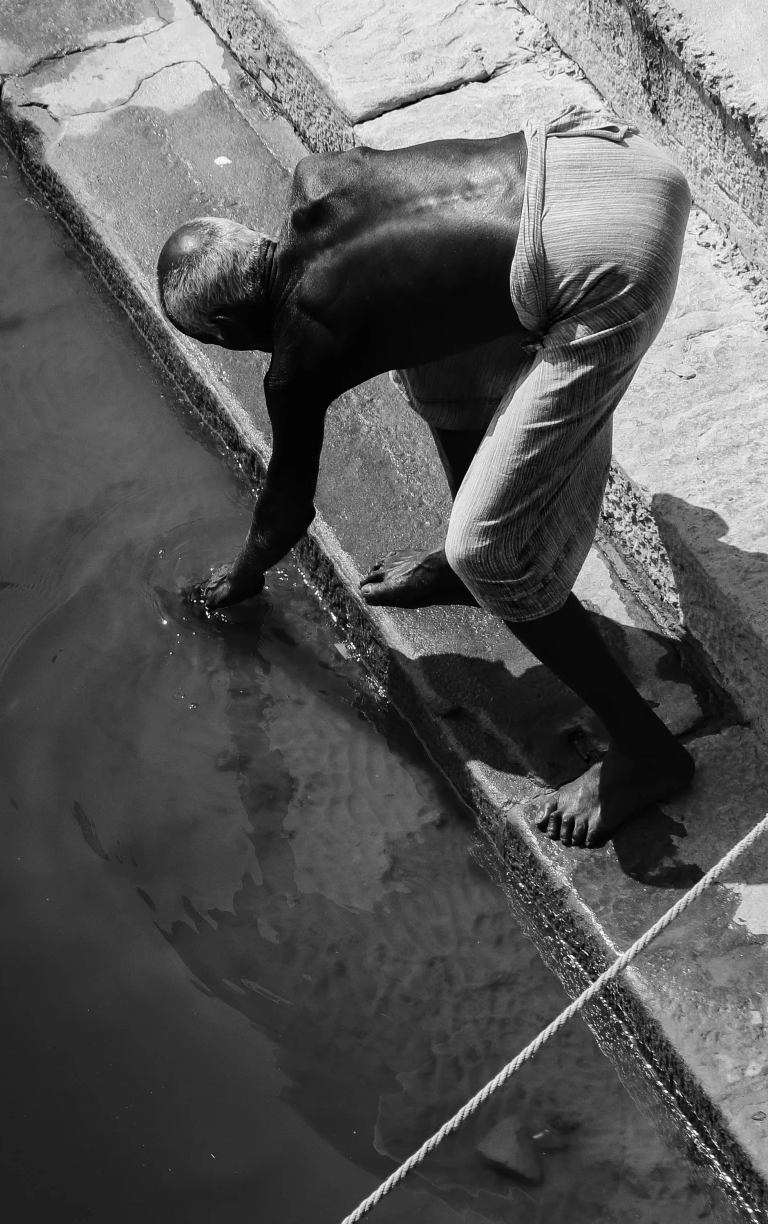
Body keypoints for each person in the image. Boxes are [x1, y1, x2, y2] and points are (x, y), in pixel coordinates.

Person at [159, 106, 693, 847]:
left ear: (223, 331)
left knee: (493, 554)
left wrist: (240, 574)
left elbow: (287, 511)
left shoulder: (299, 357)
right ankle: (457, 562)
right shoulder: (318, 179)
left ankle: (646, 749)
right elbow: (430, 244)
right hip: (596, 154)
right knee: (422, 340)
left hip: (614, 262)